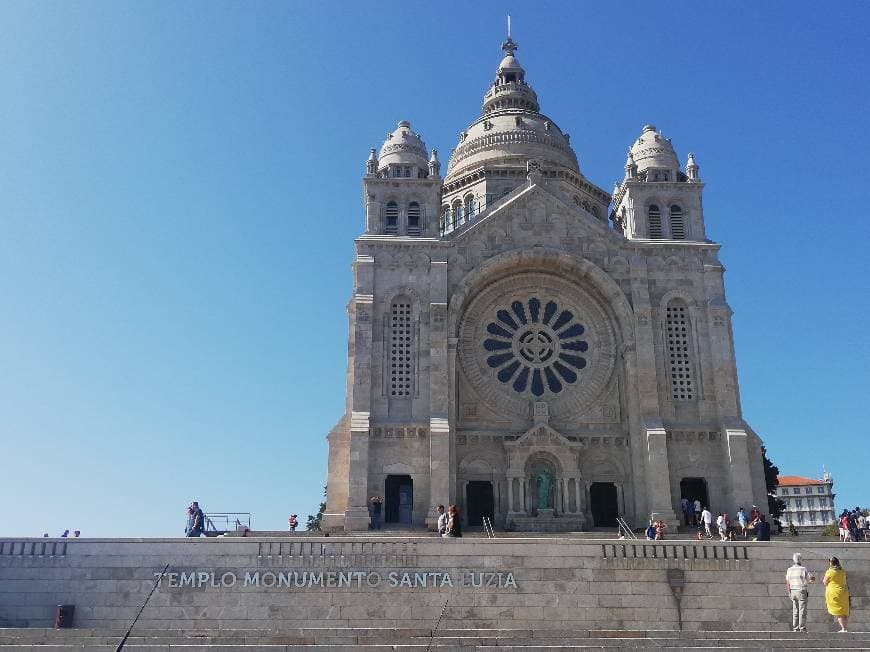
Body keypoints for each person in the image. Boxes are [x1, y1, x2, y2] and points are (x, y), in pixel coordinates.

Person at [786, 552, 815, 632]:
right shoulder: (803, 569)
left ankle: (795, 628)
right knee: (802, 610)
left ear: (793, 560)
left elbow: (788, 582)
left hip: (793, 591)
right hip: (801, 591)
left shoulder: (789, 570)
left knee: (795, 610)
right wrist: (812, 579)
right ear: (801, 560)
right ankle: (802, 627)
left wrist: (789, 592)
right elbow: (810, 579)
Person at [823, 556, 849, 632]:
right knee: (844, 611)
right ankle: (845, 628)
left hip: (835, 593)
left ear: (831, 563)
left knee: (839, 612)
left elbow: (824, 582)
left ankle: (844, 629)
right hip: (843, 593)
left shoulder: (830, 571)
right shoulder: (842, 571)